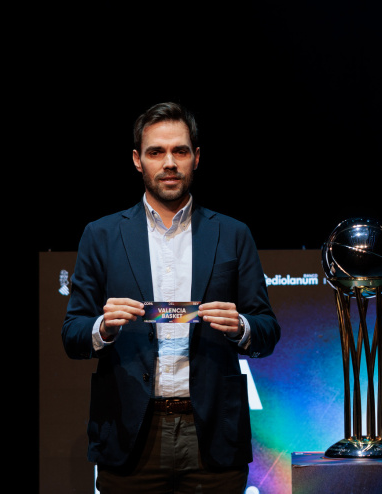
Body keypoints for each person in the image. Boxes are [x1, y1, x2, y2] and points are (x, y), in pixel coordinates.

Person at [62, 102, 281, 493]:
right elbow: (72, 334)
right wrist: (102, 328)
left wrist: (241, 326)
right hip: (129, 436)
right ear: (137, 160)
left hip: (214, 435)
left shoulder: (233, 234)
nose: (169, 163)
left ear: (196, 157)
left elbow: (266, 330)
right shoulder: (101, 235)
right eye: (156, 152)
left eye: (179, 151)